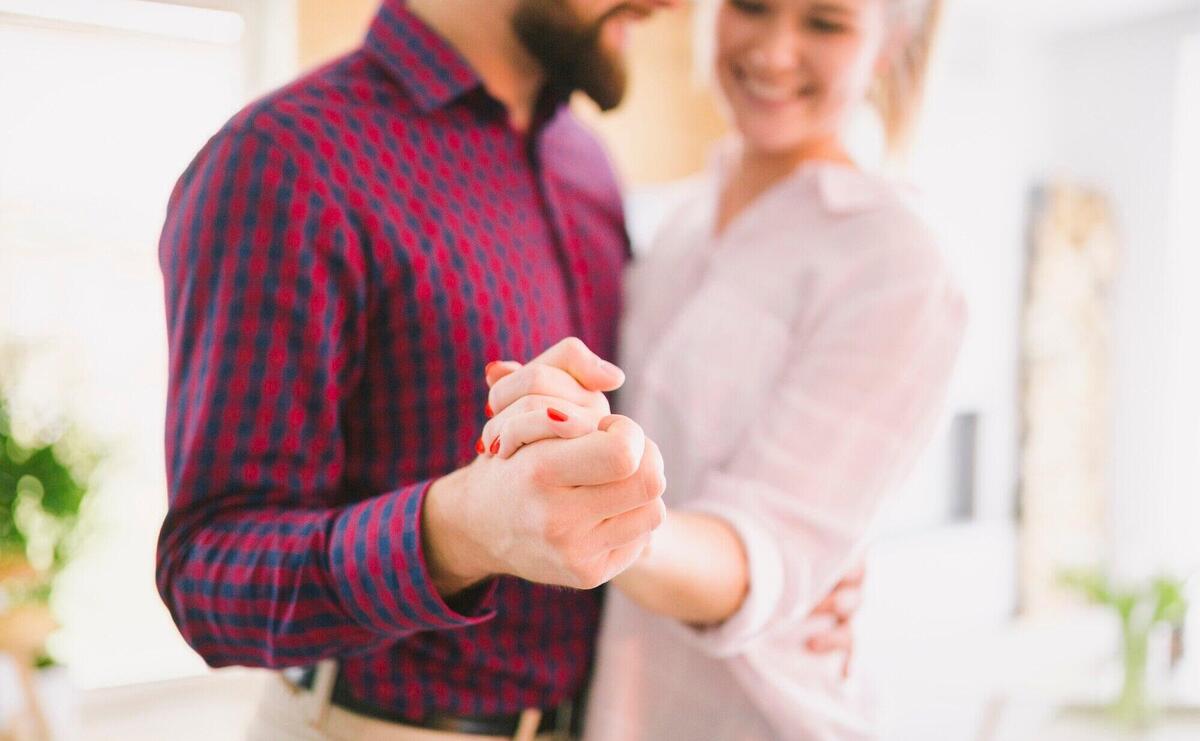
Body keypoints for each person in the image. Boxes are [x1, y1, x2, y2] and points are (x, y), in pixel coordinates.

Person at [155, 1, 856, 739]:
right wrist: (461, 531)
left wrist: (781, 572)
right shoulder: (286, 163)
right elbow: (209, 576)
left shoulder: (582, 159)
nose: (672, 5)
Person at [478, 0, 966, 738]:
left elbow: (759, 558)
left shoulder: (898, 264)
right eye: (752, 7)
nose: (774, 52)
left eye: (825, 24)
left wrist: (587, 492)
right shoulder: (673, 222)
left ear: (888, 45)